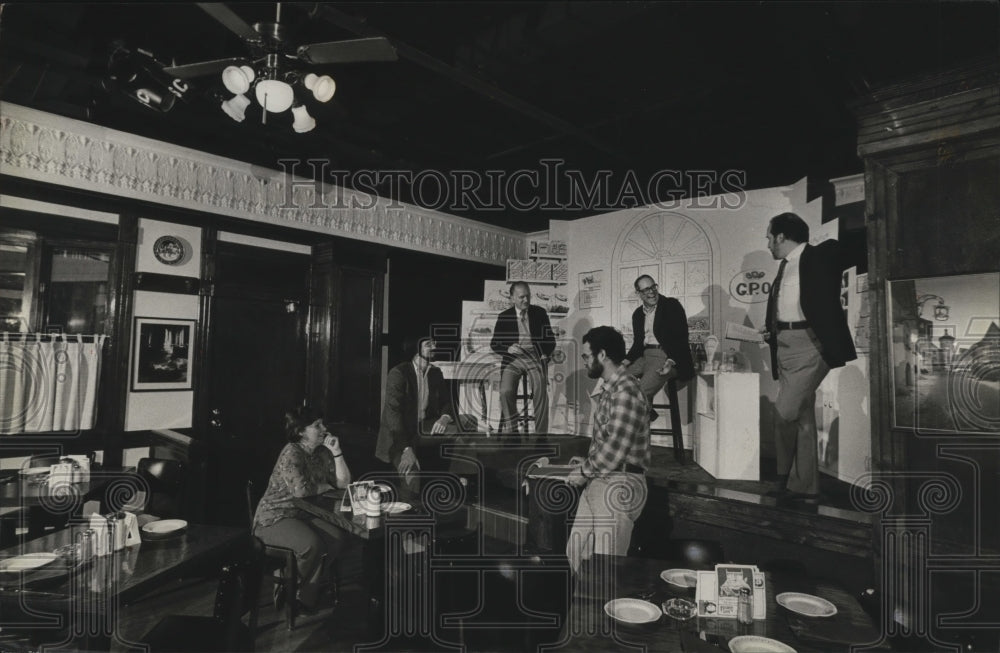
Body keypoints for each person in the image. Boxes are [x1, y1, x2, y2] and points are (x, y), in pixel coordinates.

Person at [763, 212, 857, 503]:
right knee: (802, 417)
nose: (768, 244)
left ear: (781, 236)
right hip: (785, 343)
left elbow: (851, 250)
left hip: (809, 345)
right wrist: (773, 330)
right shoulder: (784, 267)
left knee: (784, 413)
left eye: (769, 237)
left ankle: (781, 478)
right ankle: (806, 488)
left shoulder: (819, 255)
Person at [565, 326, 649, 574]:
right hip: (603, 478)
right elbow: (612, 442)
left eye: (586, 356)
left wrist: (585, 469)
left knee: (604, 568)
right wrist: (588, 461)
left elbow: (615, 447)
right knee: (576, 555)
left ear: (602, 355)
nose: (584, 361)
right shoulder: (612, 389)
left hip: (620, 483)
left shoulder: (626, 391)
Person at [253, 405, 352, 612]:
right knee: (312, 544)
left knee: (337, 539)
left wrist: (337, 452)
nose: (324, 428)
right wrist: (326, 485)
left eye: (323, 423)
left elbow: (343, 483)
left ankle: (302, 592)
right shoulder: (292, 452)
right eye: (317, 425)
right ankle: (295, 594)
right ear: (300, 432)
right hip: (274, 517)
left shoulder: (320, 452)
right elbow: (300, 490)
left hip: (302, 514)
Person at [375, 336, 456, 495]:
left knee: (467, 423)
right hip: (399, 435)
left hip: (423, 428)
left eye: (435, 343)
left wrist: (444, 418)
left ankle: (458, 476)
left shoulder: (435, 372)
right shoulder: (399, 373)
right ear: (416, 349)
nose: (434, 346)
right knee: (411, 476)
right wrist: (406, 449)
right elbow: (394, 418)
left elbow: (448, 403)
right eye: (429, 344)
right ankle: (410, 513)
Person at [490, 281, 556, 434]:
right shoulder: (504, 316)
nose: (526, 300)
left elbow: (550, 340)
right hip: (513, 360)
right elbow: (494, 344)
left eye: (528, 296)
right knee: (505, 391)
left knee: (540, 391)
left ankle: (541, 437)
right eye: (521, 297)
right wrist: (508, 348)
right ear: (512, 298)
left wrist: (544, 353)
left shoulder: (540, 313)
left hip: (534, 358)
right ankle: (513, 433)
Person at [624, 275, 695, 414]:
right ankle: (647, 413)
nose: (651, 292)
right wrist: (624, 362)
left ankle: (643, 416)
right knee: (618, 381)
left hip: (665, 357)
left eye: (652, 287)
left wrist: (670, 361)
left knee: (637, 394)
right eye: (645, 290)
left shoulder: (671, 305)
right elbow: (638, 344)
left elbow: (681, 338)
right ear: (638, 293)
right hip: (645, 357)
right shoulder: (638, 314)